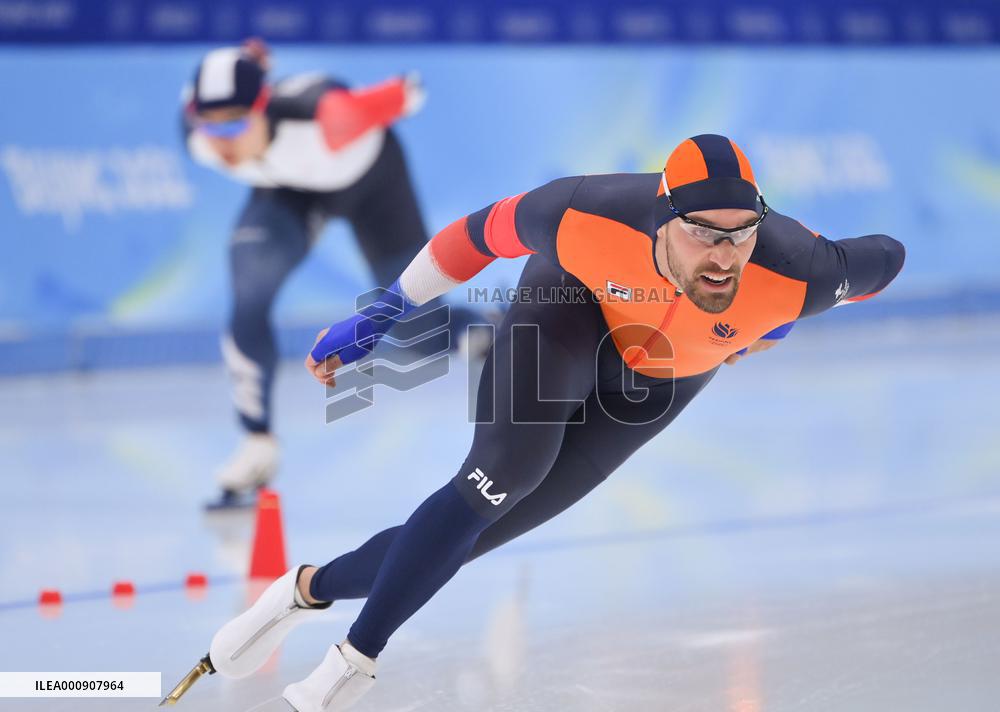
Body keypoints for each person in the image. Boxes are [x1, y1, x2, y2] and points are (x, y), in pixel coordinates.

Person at [201, 134, 905, 710]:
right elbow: (470, 238)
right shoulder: (585, 212)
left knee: (472, 535)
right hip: (567, 311)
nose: (723, 258)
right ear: (663, 219)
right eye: (701, 235)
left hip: (658, 382)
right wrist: (382, 315)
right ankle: (351, 662)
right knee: (495, 482)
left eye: (740, 236)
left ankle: (302, 591)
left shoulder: (798, 270)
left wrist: (784, 313)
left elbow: (886, 260)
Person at [182, 39, 478, 508]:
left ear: (262, 107)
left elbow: (411, 93)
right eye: (207, 124)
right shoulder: (197, 136)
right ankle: (256, 442)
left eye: (234, 124)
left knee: (419, 331)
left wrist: (393, 96)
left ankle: (475, 329)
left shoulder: (325, 119)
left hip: (371, 180)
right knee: (248, 291)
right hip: (291, 190)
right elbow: (215, 110)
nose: (220, 142)